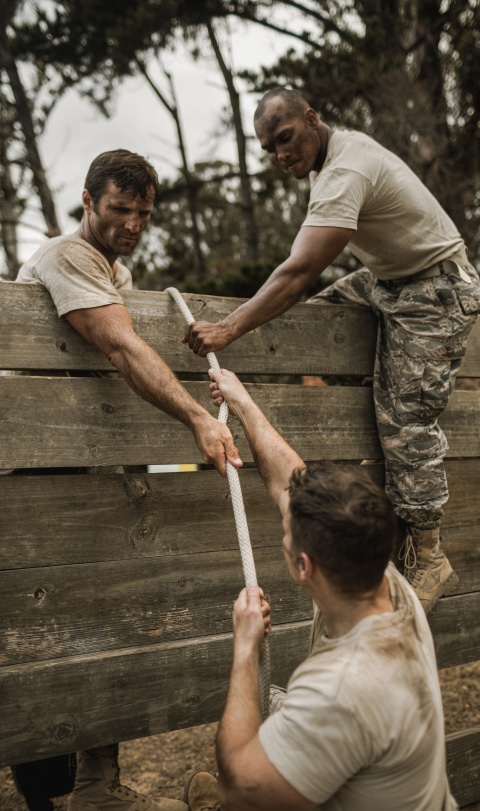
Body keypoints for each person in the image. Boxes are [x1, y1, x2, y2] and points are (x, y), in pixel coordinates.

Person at [183, 87, 480, 614]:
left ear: (312, 118)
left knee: (407, 421)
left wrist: (228, 330)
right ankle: (362, 388)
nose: (281, 155)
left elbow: (299, 271)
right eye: (270, 149)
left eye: (285, 138)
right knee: (320, 316)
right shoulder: (328, 164)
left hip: (435, 290)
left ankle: (430, 554)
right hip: (390, 280)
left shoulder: (345, 170)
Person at [12, 149, 242, 811]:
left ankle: (95, 783)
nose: (133, 223)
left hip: (85, 463)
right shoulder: (65, 256)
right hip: (36, 469)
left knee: (101, 611)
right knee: (43, 621)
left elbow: (132, 341)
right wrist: (199, 415)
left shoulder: (116, 269)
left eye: (143, 212)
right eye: (119, 209)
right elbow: (120, 344)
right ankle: (49, 795)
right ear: (87, 200)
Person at [189, 366, 457, 811]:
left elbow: (238, 787)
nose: (284, 527)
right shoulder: (386, 581)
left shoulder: (340, 688)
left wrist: (245, 649)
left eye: (286, 533)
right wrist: (242, 402)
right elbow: (290, 480)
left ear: (303, 566)